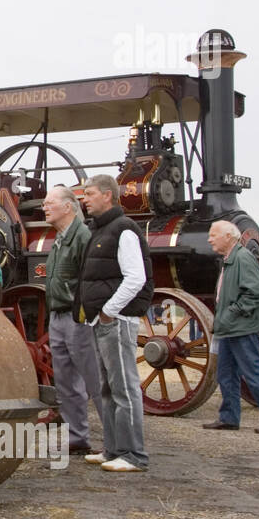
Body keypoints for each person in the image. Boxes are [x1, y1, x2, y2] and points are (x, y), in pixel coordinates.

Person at [77, 174, 154, 472]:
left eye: (91, 193)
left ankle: (134, 455)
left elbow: (136, 277)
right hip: (101, 320)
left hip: (116, 321)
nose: (85, 199)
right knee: (108, 388)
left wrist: (110, 310)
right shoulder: (101, 230)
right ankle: (113, 450)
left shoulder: (124, 230)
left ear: (108, 195)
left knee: (125, 387)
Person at [202, 221, 259, 433]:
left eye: (213, 235)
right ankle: (229, 418)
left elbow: (254, 293)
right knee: (226, 373)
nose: (209, 239)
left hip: (240, 327)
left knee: (253, 372)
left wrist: (231, 314)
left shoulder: (242, 258)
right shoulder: (230, 259)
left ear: (228, 237)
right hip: (230, 327)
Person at [42, 186, 103, 455]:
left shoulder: (82, 237)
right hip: (57, 317)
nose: (44, 207)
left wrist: (83, 314)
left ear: (68, 207)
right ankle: (77, 437)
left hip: (76, 318)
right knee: (66, 383)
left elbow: (89, 280)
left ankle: (115, 441)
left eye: (49, 203)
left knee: (94, 380)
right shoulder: (59, 239)